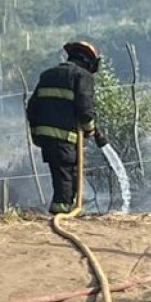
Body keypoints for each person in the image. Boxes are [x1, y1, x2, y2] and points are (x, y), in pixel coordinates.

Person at [26, 41, 106, 214]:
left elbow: (32, 107)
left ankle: (66, 210)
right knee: (67, 178)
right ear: (89, 62)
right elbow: (85, 107)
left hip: (47, 138)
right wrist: (91, 129)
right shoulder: (83, 76)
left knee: (64, 176)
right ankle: (61, 215)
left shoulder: (47, 75)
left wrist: (36, 134)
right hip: (66, 139)